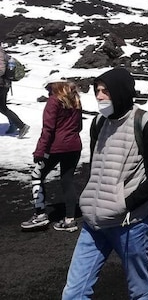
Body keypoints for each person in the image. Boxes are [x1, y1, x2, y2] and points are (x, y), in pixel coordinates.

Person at [62, 67, 148, 300]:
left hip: (129, 224)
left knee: (140, 291)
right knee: (73, 293)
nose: (99, 96)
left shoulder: (147, 124)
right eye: (97, 90)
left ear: (120, 92)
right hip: (94, 223)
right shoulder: (99, 122)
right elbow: (97, 167)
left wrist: (125, 204)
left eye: (105, 91)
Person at [21, 78, 83, 232]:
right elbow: (79, 126)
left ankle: (40, 215)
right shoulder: (75, 100)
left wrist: (40, 151)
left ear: (55, 86)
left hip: (55, 147)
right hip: (74, 146)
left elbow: (48, 129)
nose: (48, 91)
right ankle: (70, 220)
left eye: (49, 88)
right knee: (67, 180)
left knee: (37, 175)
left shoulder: (53, 102)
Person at [0, 46, 30, 138]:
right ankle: (16, 124)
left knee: (2, 108)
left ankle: (21, 126)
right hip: (4, 84)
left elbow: (1, 70)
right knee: (2, 107)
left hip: (1, 85)